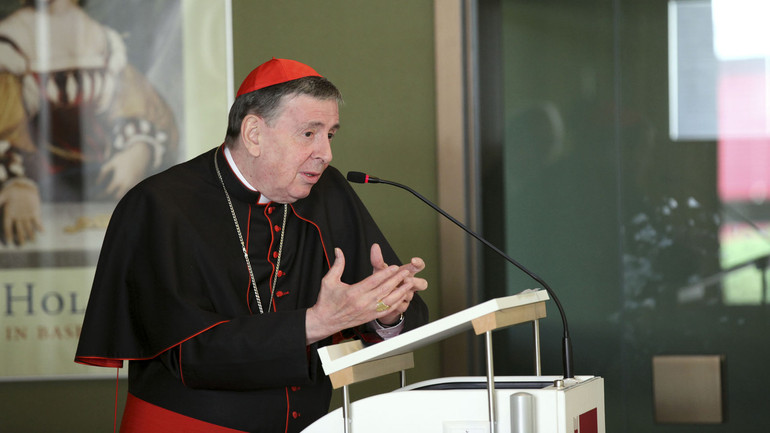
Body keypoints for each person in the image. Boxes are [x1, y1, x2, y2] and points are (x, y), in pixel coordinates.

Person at [74, 58, 429, 433]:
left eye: (330, 134)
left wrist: (387, 311)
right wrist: (315, 323)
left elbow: (398, 313)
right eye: (309, 133)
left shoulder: (329, 192)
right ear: (254, 134)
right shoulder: (160, 205)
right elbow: (189, 355)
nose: (325, 153)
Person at [0, 0, 178, 246]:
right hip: (39, 190)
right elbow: (6, 125)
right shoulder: (16, 36)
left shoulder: (100, 37)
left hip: (101, 185)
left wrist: (138, 150)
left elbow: (133, 104)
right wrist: (14, 182)